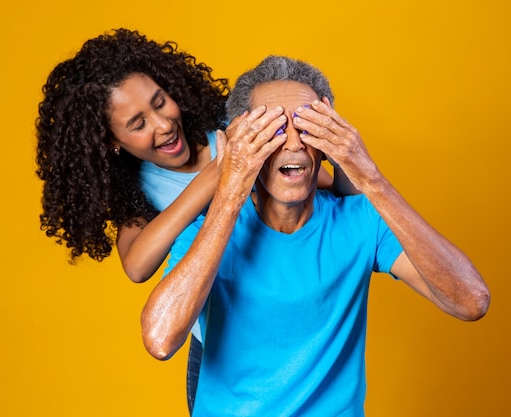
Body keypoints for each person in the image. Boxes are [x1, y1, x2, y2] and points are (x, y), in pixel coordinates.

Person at [140, 55, 491, 416]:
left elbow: (471, 301)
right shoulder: (206, 232)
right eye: (273, 130)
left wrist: (370, 177)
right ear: (242, 142)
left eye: (307, 128)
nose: (293, 145)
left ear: (328, 141)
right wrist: (230, 189)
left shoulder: (360, 222)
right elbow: (160, 340)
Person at [35, 29, 353, 413]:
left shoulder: (228, 131)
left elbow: (324, 185)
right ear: (110, 142)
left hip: (284, 321)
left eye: (160, 102)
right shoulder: (140, 191)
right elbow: (136, 266)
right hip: (217, 347)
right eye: (138, 124)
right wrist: (219, 175)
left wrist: (326, 144)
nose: (164, 124)